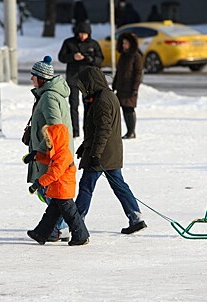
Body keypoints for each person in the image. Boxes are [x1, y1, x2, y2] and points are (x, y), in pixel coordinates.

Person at [73, 66, 147, 234]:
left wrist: (95, 154)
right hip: (110, 151)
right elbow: (99, 129)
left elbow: (104, 130)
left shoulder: (102, 101)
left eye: (84, 84)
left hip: (102, 153)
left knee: (86, 186)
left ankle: (77, 221)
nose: (83, 89)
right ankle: (136, 217)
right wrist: (85, 146)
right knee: (119, 185)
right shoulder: (105, 96)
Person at [25, 55, 74, 242]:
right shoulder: (49, 95)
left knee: (50, 190)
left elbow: (56, 126)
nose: (31, 79)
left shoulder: (49, 98)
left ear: (41, 78)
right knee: (52, 191)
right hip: (51, 152)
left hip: (52, 153)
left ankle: (61, 228)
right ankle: (60, 227)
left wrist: (46, 151)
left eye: (33, 76)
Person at [25, 124, 90, 246]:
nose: (48, 143)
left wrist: (38, 184)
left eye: (49, 140)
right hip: (59, 190)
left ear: (57, 140)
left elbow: (54, 173)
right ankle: (40, 233)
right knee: (51, 214)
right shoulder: (59, 152)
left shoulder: (63, 155)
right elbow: (50, 160)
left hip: (63, 191)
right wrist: (36, 156)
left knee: (71, 216)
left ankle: (81, 236)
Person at [58, 22, 104, 138]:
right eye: (80, 33)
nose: (82, 36)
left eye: (85, 34)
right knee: (73, 105)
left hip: (87, 79)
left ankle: (87, 130)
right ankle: (75, 130)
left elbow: (100, 59)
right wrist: (73, 57)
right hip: (73, 77)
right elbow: (61, 57)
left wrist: (89, 58)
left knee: (88, 105)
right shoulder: (69, 42)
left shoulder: (93, 44)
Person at [112, 32, 143, 139]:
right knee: (124, 109)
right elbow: (118, 71)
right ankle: (129, 131)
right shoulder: (123, 56)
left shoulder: (136, 56)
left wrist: (135, 88)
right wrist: (114, 85)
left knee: (129, 109)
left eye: (127, 43)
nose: (124, 45)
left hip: (130, 88)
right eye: (123, 43)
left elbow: (138, 73)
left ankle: (131, 131)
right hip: (121, 87)